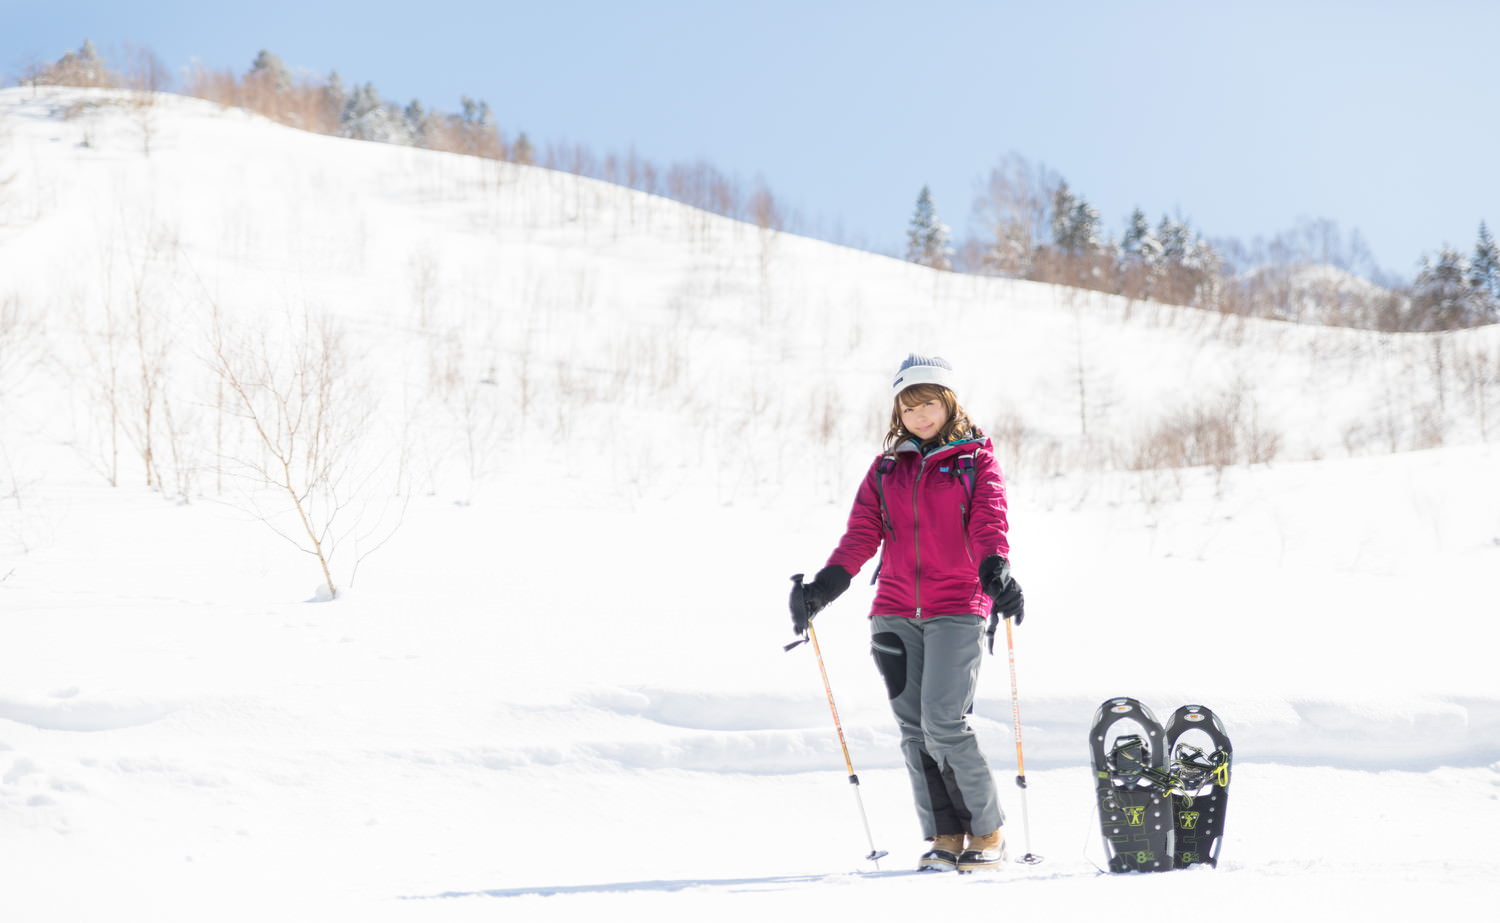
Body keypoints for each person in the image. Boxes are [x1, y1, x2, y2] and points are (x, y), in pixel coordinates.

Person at [789, 353, 1026, 872]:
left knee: (944, 721)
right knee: (914, 730)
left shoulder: (975, 460)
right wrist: (824, 588)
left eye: (929, 404)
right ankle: (944, 835)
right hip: (893, 610)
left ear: (948, 402)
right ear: (898, 409)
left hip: (957, 607)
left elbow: (989, 521)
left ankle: (987, 832)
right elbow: (860, 535)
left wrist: (996, 569)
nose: (920, 415)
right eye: (909, 405)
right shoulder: (886, 468)